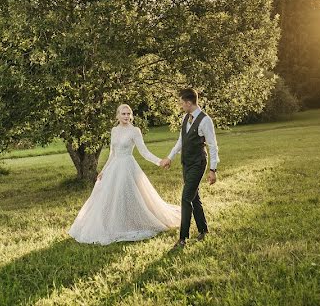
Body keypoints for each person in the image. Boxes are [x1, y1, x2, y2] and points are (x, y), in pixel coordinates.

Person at [68, 104, 181, 244]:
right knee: (110, 196)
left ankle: (130, 222)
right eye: (124, 114)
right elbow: (112, 153)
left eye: (128, 114)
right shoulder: (114, 131)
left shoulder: (135, 131)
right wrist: (103, 171)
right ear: (118, 116)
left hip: (128, 166)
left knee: (126, 194)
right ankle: (112, 223)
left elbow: (144, 152)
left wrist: (159, 161)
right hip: (114, 167)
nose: (126, 116)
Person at [159, 87, 219, 249]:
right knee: (194, 197)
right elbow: (181, 141)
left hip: (198, 163)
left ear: (189, 102)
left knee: (186, 197)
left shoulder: (205, 121)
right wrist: (169, 157)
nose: (181, 106)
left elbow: (213, 146)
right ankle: (203, 230)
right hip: (186, 163)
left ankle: (183, 238)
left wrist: (213, 170)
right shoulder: (186, 117)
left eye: (182, 103)